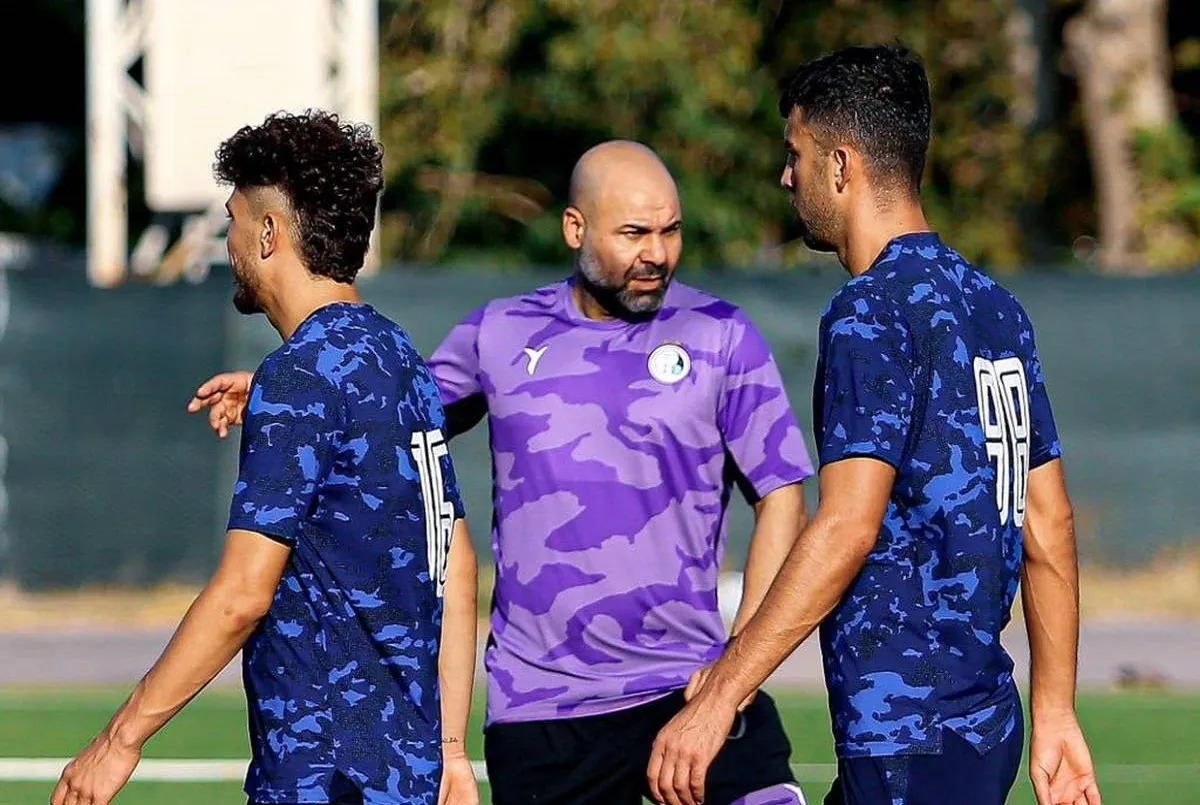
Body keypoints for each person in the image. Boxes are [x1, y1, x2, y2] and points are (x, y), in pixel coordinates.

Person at [187, 140, 814, 805]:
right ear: (575, 228)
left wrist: (736, 667)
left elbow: (782, 495)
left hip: (690, 686)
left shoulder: (721, 334)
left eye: (670, 231)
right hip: (542, 711)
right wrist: (286, 392)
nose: (656, 253)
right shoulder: (502, 332)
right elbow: (387, 412)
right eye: (634, 233)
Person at [647, 45, 1102, 805]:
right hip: (983, 725)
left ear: (840, 166)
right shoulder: (994, 306)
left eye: (795, 154)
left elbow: (846, 526)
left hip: (905, 735)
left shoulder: (870, 312)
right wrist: (1054, 711)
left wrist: (722, 692)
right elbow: (1048, 521)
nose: (785, 176)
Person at [52, 110, 479, 805]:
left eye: (233, 221)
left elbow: (242, 596)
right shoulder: (397, 357)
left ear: (270, 232)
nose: (229, 241)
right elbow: (454, 561)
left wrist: (119, 739)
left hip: (323, 778)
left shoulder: (302, 377)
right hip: (406, 775)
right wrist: (451, 752)